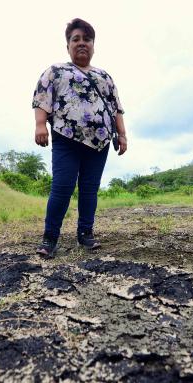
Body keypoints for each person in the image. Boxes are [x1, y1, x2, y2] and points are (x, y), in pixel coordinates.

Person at [32, 18, 127, 258]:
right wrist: (40, 124)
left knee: (89, 189)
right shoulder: (56, 71)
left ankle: (85, 233)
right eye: (76, 39)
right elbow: (42, 98)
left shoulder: (104, 77)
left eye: (87, 39)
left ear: (93, 45)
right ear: (68, 46)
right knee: (62, 188)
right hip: (66, 137)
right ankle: (49, 238)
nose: (82, 43)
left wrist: (122, 135)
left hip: (100, 141)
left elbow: (116, 108)